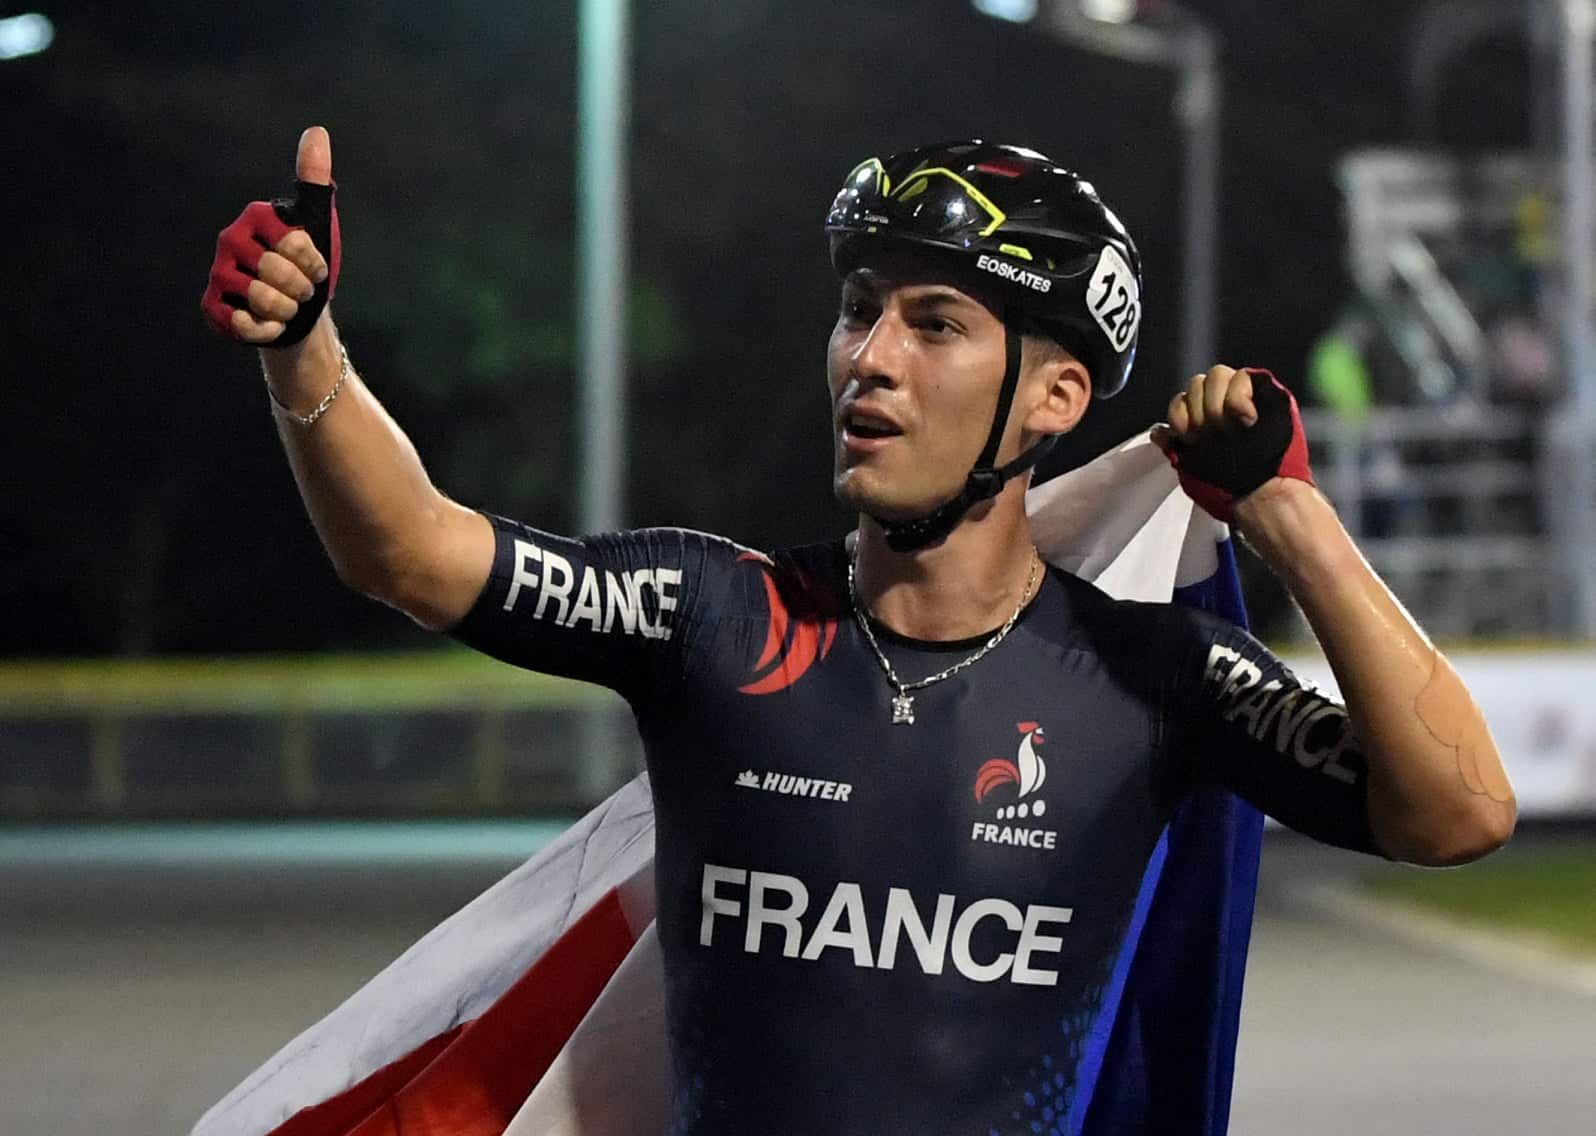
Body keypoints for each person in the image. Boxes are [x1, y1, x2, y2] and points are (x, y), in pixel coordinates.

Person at [202, 129, 1516, 1135]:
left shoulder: (1152, 677)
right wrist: (304, 351)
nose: (869, 356)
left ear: (1054, 394)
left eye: (934, 322)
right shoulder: (713, 615)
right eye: (859, 308)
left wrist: (1288, 511)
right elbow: (412, 552)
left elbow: (1456, 812)